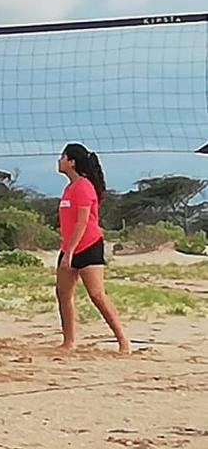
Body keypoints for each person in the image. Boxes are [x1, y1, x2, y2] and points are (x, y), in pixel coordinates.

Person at [56, 143, 130, 354]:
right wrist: (66, 248)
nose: (59, 160)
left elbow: (82, 223)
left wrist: (69, 252)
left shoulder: (84, 186)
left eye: (63, 157)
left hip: (88, 246)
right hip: (69, 246)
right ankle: (69, 341)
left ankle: (123, 341)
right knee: (63, 294)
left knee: (97, 295)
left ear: (72, 162)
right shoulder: (69, 188)